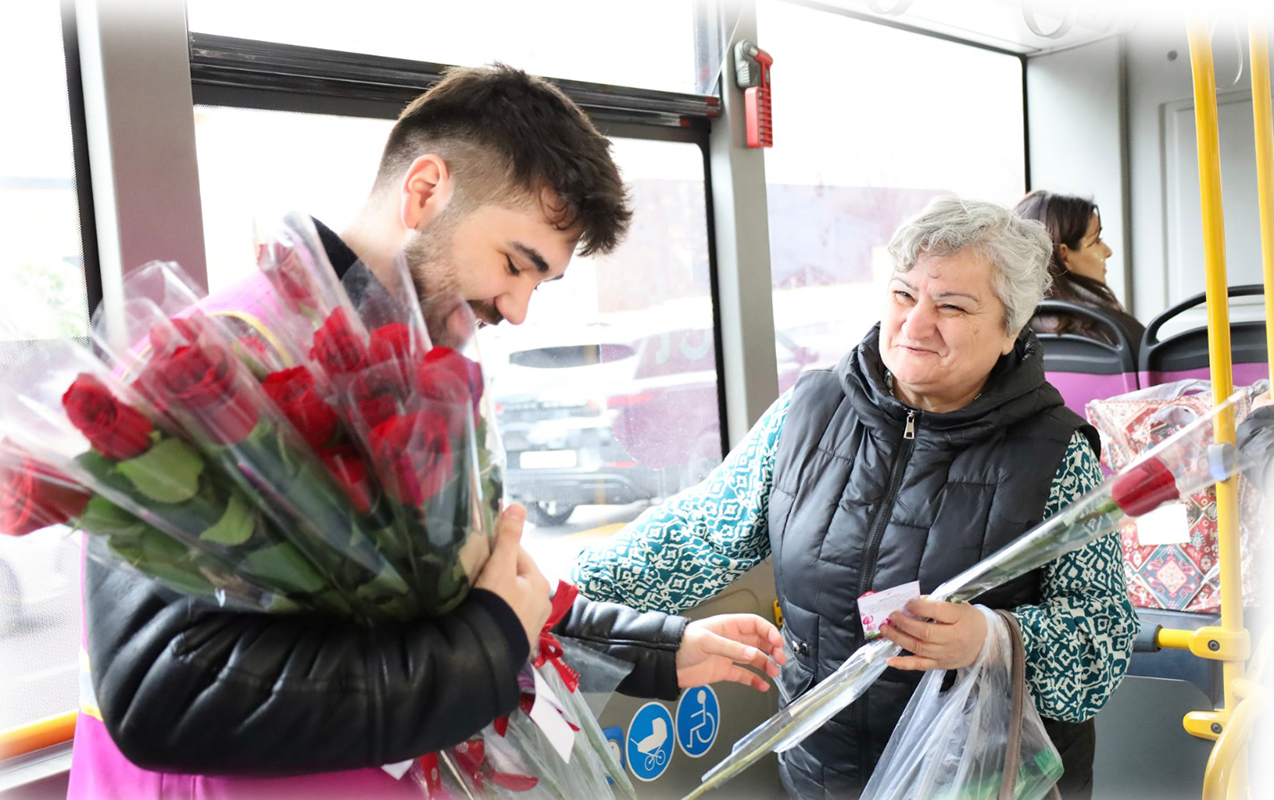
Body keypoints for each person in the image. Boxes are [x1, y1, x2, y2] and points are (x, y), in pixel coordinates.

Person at [68, 65, 785, 799]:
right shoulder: (214, 365)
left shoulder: (423, 380)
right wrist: (488, 643)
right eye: (515, 264)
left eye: (540, 284)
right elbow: (159, 689)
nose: (518, 310)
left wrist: (659, 649)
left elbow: (477, 594)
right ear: (425, 191)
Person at [573, 197, 1139, 799]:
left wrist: (989, 639)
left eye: (951, 306)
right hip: (824, 778)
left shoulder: (1057, 453)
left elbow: (1098, 649)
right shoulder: (808, 414)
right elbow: (698, 535)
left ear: (1009, 329)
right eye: (903, 295)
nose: (916, 325)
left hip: (982, 783)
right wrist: (553, 600)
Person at [1015, 190, 1145, 353]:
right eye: (1096, 241)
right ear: (1065, 255)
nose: (1108, 251)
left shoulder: (1009, 337)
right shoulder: (1119, 333)